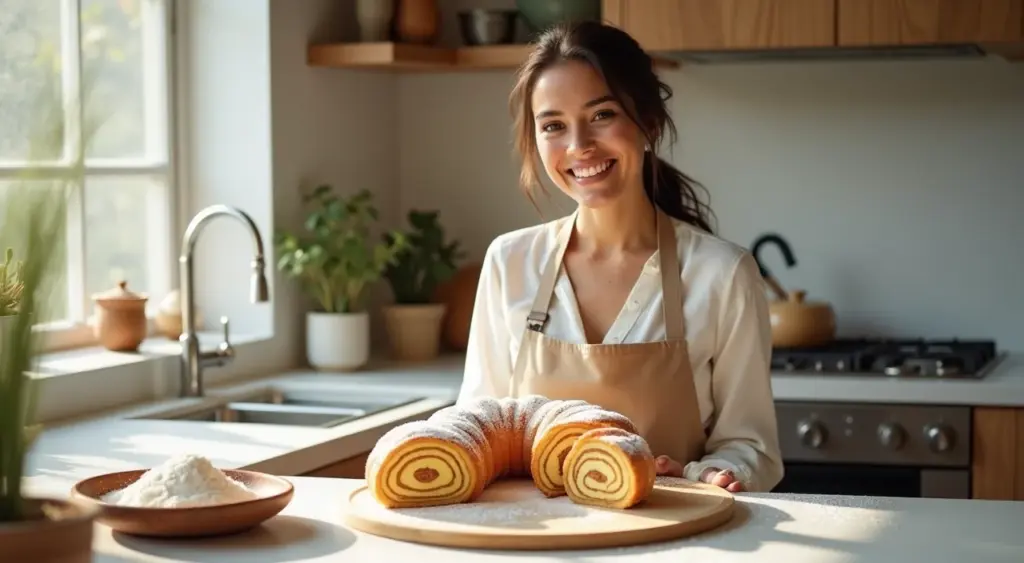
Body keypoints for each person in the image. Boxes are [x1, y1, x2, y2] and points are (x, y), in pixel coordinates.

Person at [456, 21, 783, 494]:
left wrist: (711, 476)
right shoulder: (509, 262)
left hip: (672, 538)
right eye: (553, 126)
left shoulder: (722, 274)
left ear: (648, 122)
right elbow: (479, 425)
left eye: (602, 114)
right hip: (535, 541)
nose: (578, 146)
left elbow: (751, 447)